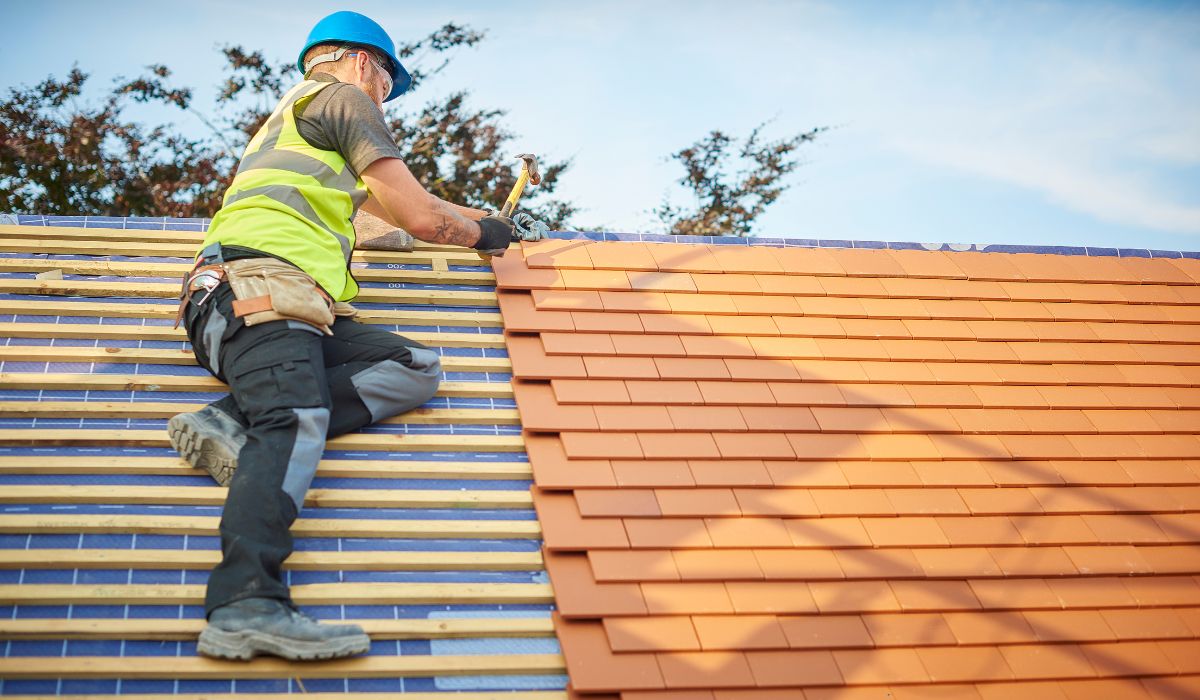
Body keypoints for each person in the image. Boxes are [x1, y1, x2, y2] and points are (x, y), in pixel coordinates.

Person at [166, 10, 543, 661]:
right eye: (387, 85)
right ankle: (245, 601)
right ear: (363, 61)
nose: (384, 99)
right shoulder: (342, 98)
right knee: (295, 417)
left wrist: (478, 220)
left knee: (413, 366)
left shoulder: (300, 126)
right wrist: (486, 236)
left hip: (279, 301)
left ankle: (229, 420)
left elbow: (390, 218)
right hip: (259, 287)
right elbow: (422, 217)